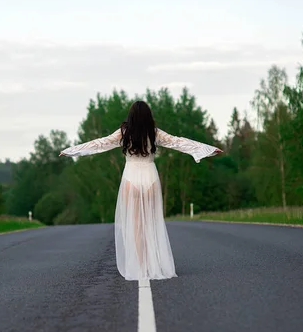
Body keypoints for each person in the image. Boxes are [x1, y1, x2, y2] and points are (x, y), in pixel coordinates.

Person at [59, 100, 223, 280]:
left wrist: (71, 151)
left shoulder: (124, 132)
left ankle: (141, 266)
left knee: (136, 226)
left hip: (131, 177)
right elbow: (179, 142)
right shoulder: (154, 133)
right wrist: (207, 149)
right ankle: (154, 264)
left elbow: (100, 143)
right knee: (151, 224)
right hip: (150, 177)